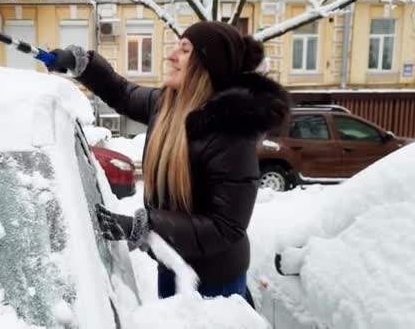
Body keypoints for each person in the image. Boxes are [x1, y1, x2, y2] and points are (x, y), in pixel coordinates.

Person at [46, 21, 291, 300]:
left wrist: (147, 225)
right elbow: (123, 93)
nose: (171, 56)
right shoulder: (168, 105)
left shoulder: (232, 134)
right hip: (173, 263)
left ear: (207, 65)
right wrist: (82, 65)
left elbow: (226, 226)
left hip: (213, 283)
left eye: (184, 50)